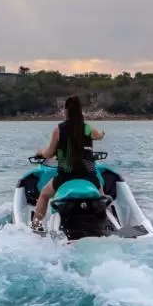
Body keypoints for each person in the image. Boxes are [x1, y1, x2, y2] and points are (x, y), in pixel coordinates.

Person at [31, 95, 105, 228]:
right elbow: (99, 136)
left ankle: (36, 226)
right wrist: (102, 134)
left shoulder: (59, 130)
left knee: (44, 194)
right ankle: (108, 223)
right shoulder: (88, 128)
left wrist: (40, 153)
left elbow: (50, 153)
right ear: (80, 111)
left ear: (66, 111)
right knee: (103, 196)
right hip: (88, 176)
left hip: (66, 177)